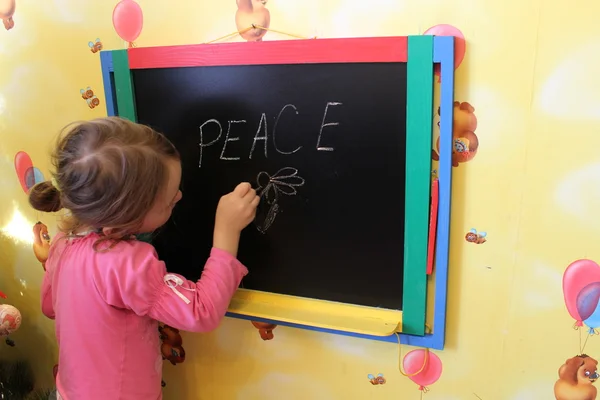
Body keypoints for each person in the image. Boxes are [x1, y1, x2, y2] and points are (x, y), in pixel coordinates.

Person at [29, 117, 259, 400]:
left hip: (70, 392)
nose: (180, 195)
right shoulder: (125, 263)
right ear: (123, 220)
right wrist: (226, 231)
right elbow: (201, 311)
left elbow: (49, 306)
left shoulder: (62, 244)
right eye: (169, 200)